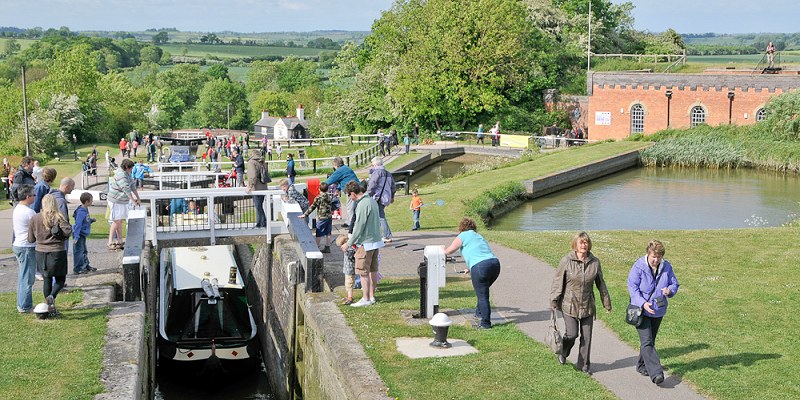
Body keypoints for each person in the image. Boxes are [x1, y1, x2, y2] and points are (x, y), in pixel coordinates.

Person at [549, 231, 612, 375]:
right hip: (569, 304)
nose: (584, 245)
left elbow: (601, 284)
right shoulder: (566, 261)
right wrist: (553, 300)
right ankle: (564, 352)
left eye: (586, 242)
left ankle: (583, 366)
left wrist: (606, 303)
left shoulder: (595, 262)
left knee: (587, 337)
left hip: (587, 305)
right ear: (575, 245)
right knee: (572, 334)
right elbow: (558, 281)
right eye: (581, 242)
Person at [628, 239, 680, 386]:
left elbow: (674, 283)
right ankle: (656, 373)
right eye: (653, 257)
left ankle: (641, 365)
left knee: (650, 340)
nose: (656, 260)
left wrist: (670, 290)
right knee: (647, 341)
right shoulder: (638, 266)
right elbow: (632, 287)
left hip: (658, 310)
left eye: (659, 257)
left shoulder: (667, 266)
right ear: (648, 254)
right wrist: (643, 304)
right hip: (641, 311)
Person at [28, 194, 72, 317]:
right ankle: (52, 297)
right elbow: (68, 233)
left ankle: (48, 305)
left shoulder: (35, 218)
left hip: (41, 252)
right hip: (57, 251)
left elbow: (31, 239)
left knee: (47, 278)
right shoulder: (59, 218)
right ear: (54, 204)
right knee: (60, 279)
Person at [341, 181, 383, 307]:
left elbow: (359, 226)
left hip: (366, 243)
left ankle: (365, 299)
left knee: (363, 272)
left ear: (353, 193)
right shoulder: (371, 201)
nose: (349, 198)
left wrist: (348, 243)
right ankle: (371, 296)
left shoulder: (362, 204)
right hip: (376, 241)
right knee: (373, 270)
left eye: (349, 195)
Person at [12, 184, 36, 313]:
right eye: (33, 195)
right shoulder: (29, 212)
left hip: (20, 245)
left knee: (23, 276)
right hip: (26, 247)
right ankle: (25, 306)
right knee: (28, 278)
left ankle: (22, 304)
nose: (35, 197)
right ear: (27, 197)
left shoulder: (18, 208)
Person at [107, 159, 140, 250]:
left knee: (119, 220)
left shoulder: (127, 173)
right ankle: (110, 241)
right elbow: (125, 188)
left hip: (122, 201)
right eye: (131, 168)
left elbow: (132, 185)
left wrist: (138, 198)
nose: (131, 170)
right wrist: (133, 201)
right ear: (126, 167)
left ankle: (120, 240)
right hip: (116, 200)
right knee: (116, 220)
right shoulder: (121, 174)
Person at [366, 157, 395, 243]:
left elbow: (372, 184)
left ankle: (387, 235)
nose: (372, 166)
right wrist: (392, 196)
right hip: (385, 198)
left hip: (377, 197)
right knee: (378, 216)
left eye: (373, 164)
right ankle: (378, 234)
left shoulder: (377, 173)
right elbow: (393, 186)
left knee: (381, 216)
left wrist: (367, 195)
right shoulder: (388, 173)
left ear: (376, 164)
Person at [325, 157, 359, 227]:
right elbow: (345, 180)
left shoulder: (340, 171)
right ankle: (348, 221)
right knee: (350, 206)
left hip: (352, 191)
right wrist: (338, 189)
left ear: (336, 164)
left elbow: (330, 180)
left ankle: (351, 224)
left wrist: (322, 186)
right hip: (355, 189)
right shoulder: (346, 168)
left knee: (350, 207)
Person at [301, 181, 333, 252]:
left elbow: (312, 207)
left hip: (322, 217)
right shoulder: (329, 196)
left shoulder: (318, 198)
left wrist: (305, 214)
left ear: (319, 189)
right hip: (329, 217)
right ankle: (327, 247)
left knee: (319, 232)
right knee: (328, 232)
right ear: (327, 189)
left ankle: (316, 248)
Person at [72, 192, 97, 275]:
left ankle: (85, 265)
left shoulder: (85, 209)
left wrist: (91, 220)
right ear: (87, 201)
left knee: (84, 250)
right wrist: (76, 237)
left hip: (82, 234)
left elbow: (85, 220)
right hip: (79, 234)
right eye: (91, 200)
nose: (92, 202)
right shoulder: (81, 211)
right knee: (79, 251)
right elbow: (78, 224)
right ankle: (78, 268)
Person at [246, 149, 271, 228]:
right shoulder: (262, 161)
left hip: (256, 188)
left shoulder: (251, 162)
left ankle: (263, 222)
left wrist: (249, 186)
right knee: (259, 205)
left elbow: (252, 175)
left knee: (258, 206)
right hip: (263, 187)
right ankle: (259, 223)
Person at [336, 234, 357, 305]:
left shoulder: (349, 250)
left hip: (349, 269)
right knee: (348, 283)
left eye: (341, 246)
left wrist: (347, 250)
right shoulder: (351, 248)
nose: (340, 248)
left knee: (349, 283)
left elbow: (351, 256)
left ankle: (350, 297)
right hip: (348, 269)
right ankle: (348, 295)